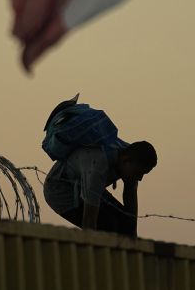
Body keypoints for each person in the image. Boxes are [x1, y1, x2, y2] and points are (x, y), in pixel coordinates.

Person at [41, 95, 158, 237]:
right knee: (109, 225)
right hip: (59, 190)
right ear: (127, 160)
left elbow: (130, 201)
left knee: (125, 224)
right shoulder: (98, 165)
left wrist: (134, 241)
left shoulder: (130, 158)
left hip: (83, 183)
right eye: (139, 173)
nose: (139, 178)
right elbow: (89, 220)